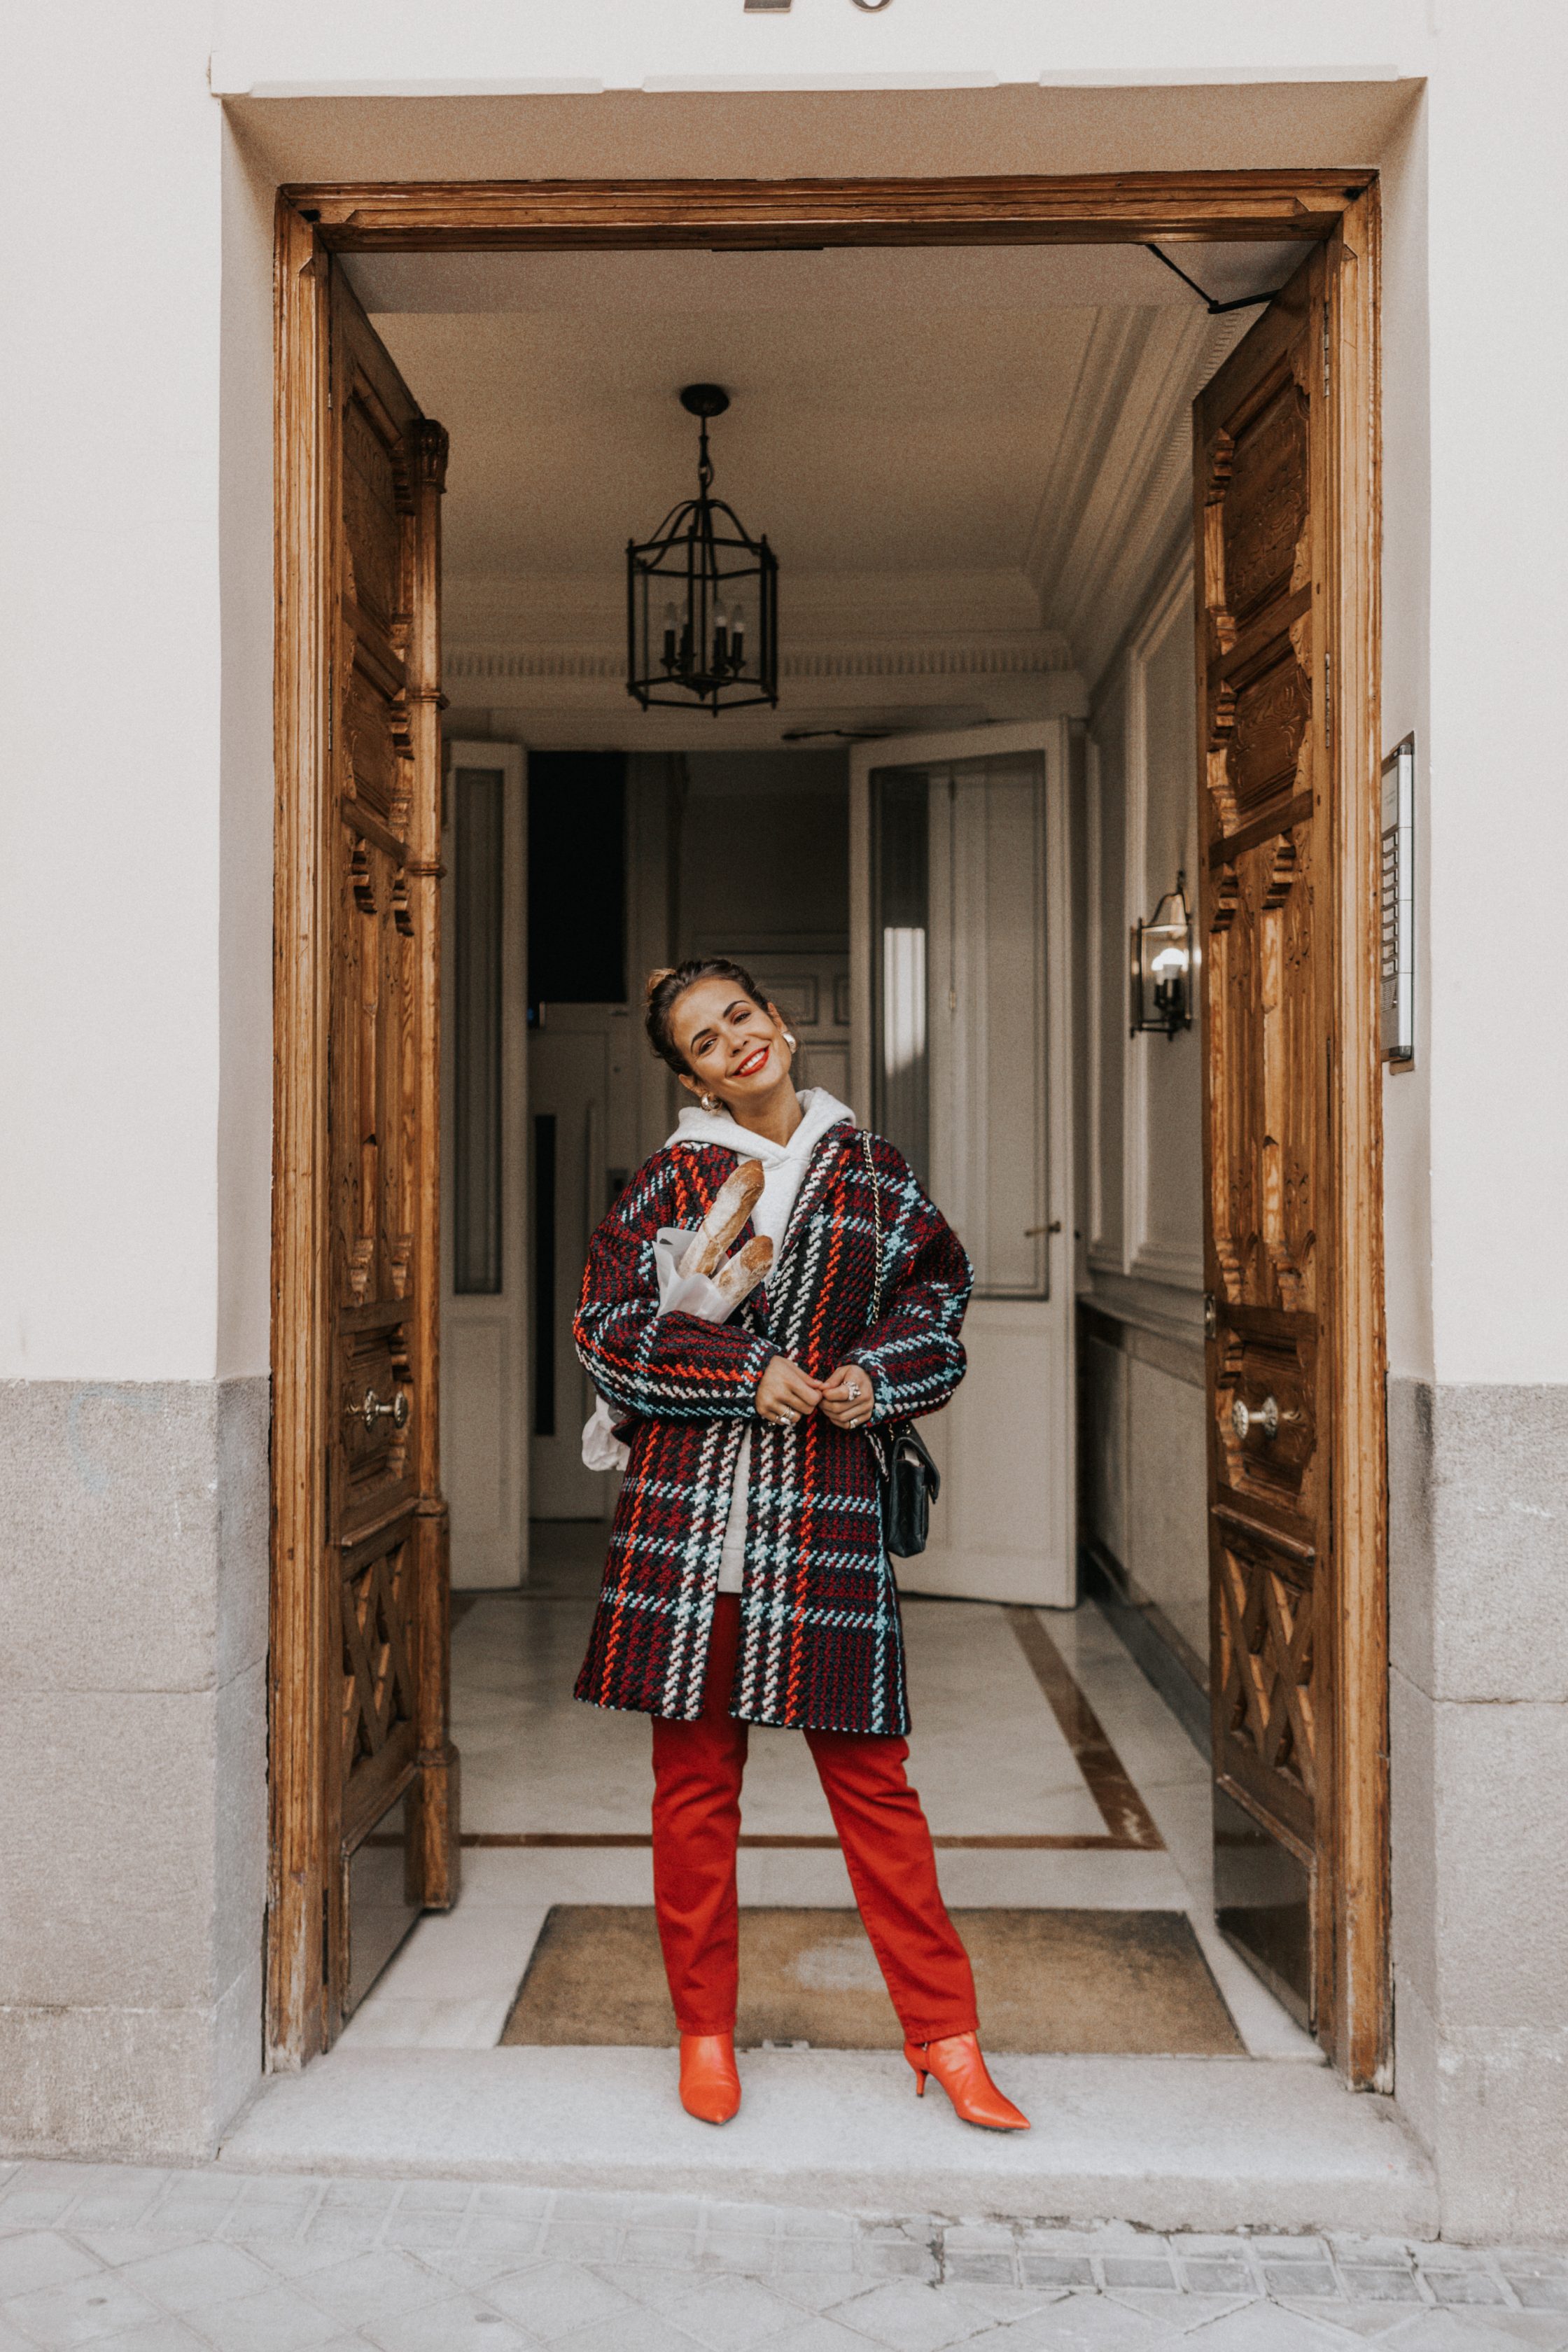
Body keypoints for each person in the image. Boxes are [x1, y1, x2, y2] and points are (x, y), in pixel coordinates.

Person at [572, 955, 1028, 2133]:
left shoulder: (878, 1175)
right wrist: (744, 1374)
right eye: (707, 1042)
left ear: (778, 1021)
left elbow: (938, 1307)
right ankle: (705, 2035)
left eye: (742, 1019)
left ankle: (947, 2035)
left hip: (823, 1512)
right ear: (695, 1079)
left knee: (877, 1791)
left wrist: (872, 1380)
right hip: (689, 1520)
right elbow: (609, 1333)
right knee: (693, 1792)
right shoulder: (669, 1183)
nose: (737, 1045)